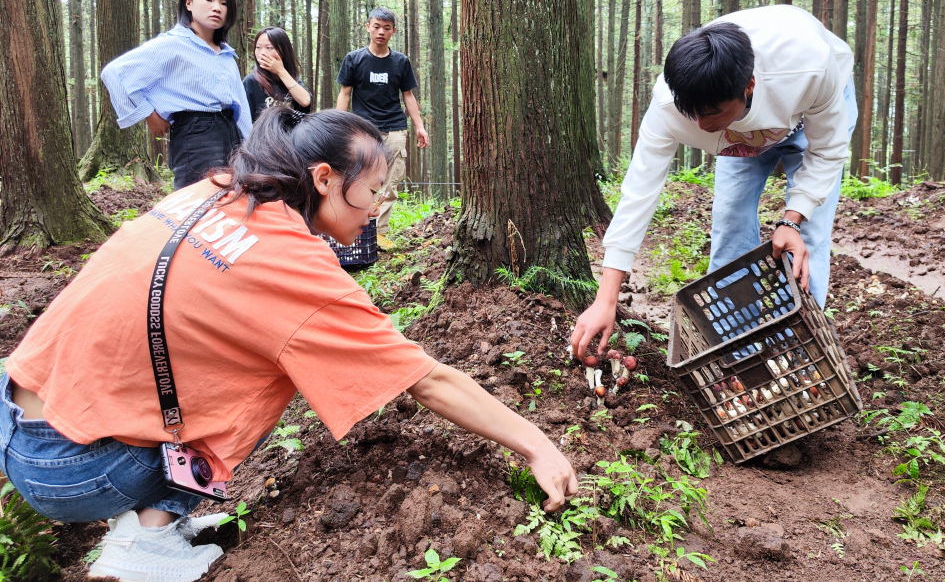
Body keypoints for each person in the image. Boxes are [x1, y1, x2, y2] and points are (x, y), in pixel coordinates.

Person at [0, 107, 576, 582]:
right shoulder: (294, 265)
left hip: (22, 416)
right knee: (281, 359)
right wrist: (536, 446)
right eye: (373, 192)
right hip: (73, 469)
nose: (378, 210)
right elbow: (424, 378)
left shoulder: (219, 189)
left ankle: (155, 520)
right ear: (324, 178)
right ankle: (143, 549)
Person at [571, 4, 857, 360]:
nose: (702, 126)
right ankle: (736, 349)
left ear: (749, 85)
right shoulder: (670, 105)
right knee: (730, 221)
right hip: (741, 140)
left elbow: (828, 150)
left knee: (806, 239)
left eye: (712, 114)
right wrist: (606, 298)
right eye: (692, 114)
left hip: (808, 116)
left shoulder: (809, 67)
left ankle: (799, 352)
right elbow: (639, 191)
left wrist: (791, 219)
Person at [101, 0, 252, 190]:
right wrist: (148, 114)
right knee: (197, 206)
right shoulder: (173, 44)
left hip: (231, 136)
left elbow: (242, 108)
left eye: (224, 3)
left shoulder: (225, 54)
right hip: (196, 136)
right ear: (189, 3)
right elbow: (114, 73)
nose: (217, 7)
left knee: (229, 206)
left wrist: (252, 148)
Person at [336, 8, 430, 251]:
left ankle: (380, 233)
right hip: (363, 131)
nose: (381, 32)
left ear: (393, 31)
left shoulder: (400, 62)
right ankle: (355, 230)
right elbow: (345, 94)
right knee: (359, 181)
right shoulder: (354, 59)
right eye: (377, 26)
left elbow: (408, 96)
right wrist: (339, 124)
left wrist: (419, 127)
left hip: (395, 128)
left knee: (389, 184)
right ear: (368, 27)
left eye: (386, 28)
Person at [243, 26, 312, 122]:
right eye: (258, 47)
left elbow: (305, 101)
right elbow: (245, 121)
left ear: (283, 51)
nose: (262, 53)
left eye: (269, 47)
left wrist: (281, 71)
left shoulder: (290, 80)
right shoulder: (251, 81)